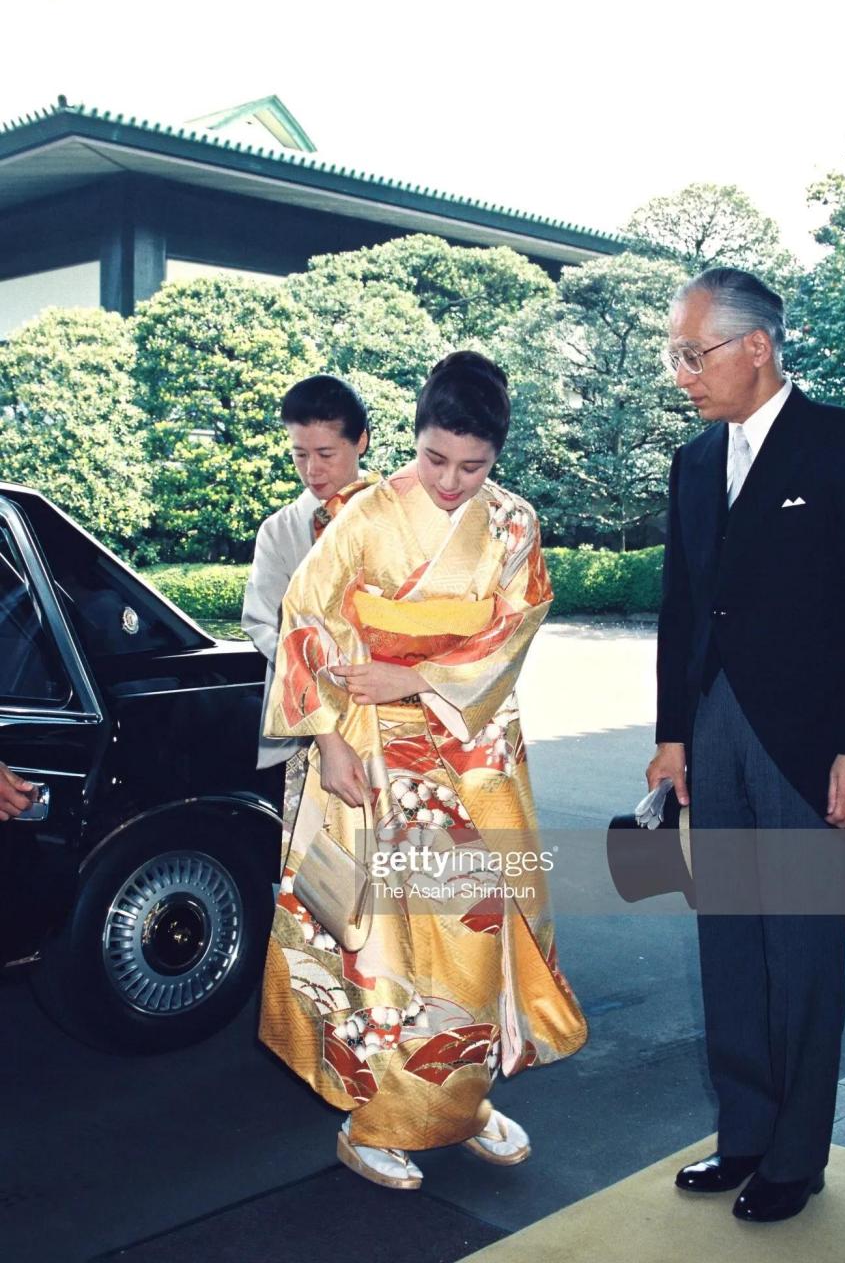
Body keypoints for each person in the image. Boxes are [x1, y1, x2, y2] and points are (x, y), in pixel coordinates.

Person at [260, 351, 587, 1190]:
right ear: (412, 441)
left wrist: (419, 675)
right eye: (434, 459)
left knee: (475, 938)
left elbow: (512, 630)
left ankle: (464, 1104)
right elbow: (307, 622)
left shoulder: (514, 525)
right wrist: (328, 743)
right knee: (387, 950)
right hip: (372, 750)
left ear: (496, 459)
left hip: (472, 754)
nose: (449, 481)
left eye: (472, 467)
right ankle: (378, 1119)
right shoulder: (364, 515)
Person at [648, 267, 845, 1223]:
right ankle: (743, 1132)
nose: (682, 374)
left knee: (799, 955)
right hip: (714, 731)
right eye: (677, 355)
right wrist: (672, 736)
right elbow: (677, 610)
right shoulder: (693, 465)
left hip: (809, 746)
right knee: (731, 945)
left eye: (692, 353)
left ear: (757, 346)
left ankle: (796, 1154)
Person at [242, 374, 378, 787]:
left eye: (325, 453)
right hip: (311, 727)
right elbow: (264, 625)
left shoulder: (403, 516)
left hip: (397, 715)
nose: (312, 470)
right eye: (300, 455)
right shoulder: (279, 531)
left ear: (361, 442)